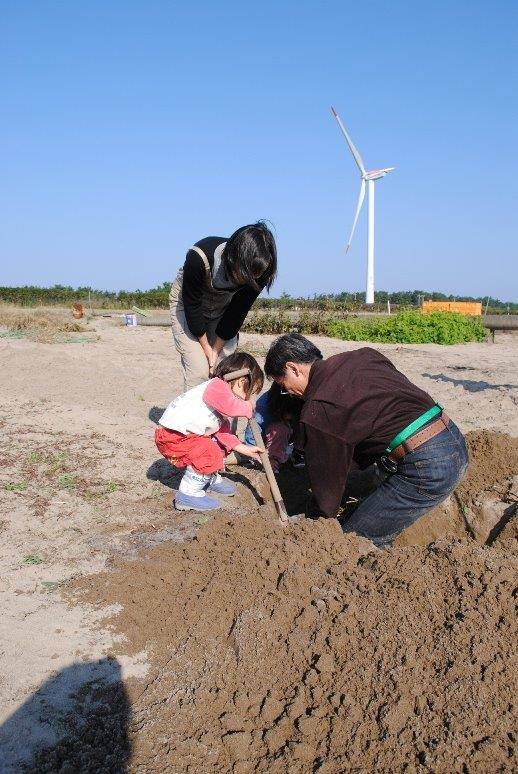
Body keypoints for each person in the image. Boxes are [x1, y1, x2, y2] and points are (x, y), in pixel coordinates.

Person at [264, 333, 469, 547]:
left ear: (293, 368)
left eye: (283, 384)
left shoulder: (319, 409)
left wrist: (316, 523)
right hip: (452, 436)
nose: (287, 392)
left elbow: (326, 494)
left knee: (356, 542)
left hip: (428, 467)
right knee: (362, 486)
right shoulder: (363, 356)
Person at [169, 222, 277, 391]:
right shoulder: (199, 257)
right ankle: (194, 417)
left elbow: (236, 313)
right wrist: (207, 350)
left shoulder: (261, 271)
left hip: (224, 307)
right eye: (246, 276)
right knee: (199, 370)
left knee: (226, 368)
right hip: (188, 305)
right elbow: (193, 306)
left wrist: (216, 351)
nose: (250, 281)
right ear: (234, 259)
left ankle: (221, 415)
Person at [155, 353, 265, 511]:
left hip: (186, 436)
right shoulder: (217, 386)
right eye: (250, 392)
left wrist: (245, 449)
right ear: (241, 382)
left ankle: (208, 477)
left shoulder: (220, 404)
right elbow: (231, 406)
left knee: (217, 445)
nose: (248, 398)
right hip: (172, 437)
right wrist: (247, 407)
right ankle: (188, 494)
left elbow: (224, 434)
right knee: (208, 451)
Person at [243, 382, 305, 473]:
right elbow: (251, 438)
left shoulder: (297, 402)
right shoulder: (262, 410)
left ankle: (297, 452)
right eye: (288, 415)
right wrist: (261, 458)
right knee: (281, 429)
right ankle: (273, 459)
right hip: (267, 443)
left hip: (286, 439)